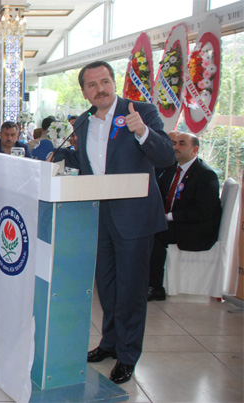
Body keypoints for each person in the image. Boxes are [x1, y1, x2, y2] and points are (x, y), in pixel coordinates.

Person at [73, 61, 175, 384]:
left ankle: (128, 356)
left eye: (104, 81)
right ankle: (110, 342)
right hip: (99, 216)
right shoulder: (83, 121)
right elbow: (89, 164)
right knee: (107, 287)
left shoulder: (141, 112)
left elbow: (167, 157)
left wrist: (142, 131)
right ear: (84, 92)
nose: (100, 89)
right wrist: (59, 159)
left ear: (114, 83)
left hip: (134, 218)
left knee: (131, 290)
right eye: (92, 85)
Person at [148, 132, 222, 301]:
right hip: (176, 222)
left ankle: (155, 288)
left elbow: (204, 212)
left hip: (196, 229)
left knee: (156, 234)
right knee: (145, 228)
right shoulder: (171, 169)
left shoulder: (206, 175)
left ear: (195, 150)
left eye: (182, 144)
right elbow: (158, 194)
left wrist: (169, 217)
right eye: (174, 143)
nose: (176, 147)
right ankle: (141, 280)